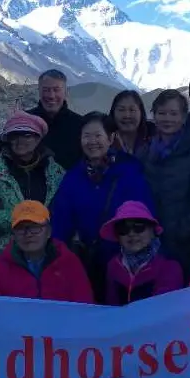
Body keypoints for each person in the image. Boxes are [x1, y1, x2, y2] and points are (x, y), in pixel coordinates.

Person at [49, 112, 156, 299]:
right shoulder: (73, 177)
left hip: (128, 261)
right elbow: (61, 219)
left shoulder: (129, 171)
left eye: (98, 135)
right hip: (88, 263)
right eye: (86, 136)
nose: (92, 142)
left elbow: (145, 213)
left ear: (110, 137)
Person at [0, 201, 94, 304]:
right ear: (13, 235)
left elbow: (85, 307)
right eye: (21, 229)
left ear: (48, 232)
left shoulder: (69, 262)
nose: (28, 234)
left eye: (35, 228)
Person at [141, 90, 190, 278]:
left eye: (173, 113)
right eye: (162, 113)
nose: (167, 119)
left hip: (186, 241)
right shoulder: (145, 152)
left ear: (184, 117)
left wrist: (185, 229)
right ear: (154, 116)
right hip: (151, 239)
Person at [0, 111, 64, 255]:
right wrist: (22, 219)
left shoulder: (56, 173)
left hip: (49, 249)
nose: (19, 140)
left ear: (38, 138)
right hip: (9, 252)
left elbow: (65, 209)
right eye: (14, 136)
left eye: (26, 135)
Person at [100, 201, 184, 305]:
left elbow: (165, 308)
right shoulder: (113, 265)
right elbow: (111, 306)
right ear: (118, 236)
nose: (131, 234)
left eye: (138, 227)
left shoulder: (169, 265)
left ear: (153, 231)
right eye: (123, 229)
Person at [28, 69, 83, 170]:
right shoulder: (26, 121)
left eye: (56, 90)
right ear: (39, 91)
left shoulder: (80, 125)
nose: (51, 96)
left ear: (66, 92)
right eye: (46, 90)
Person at [109, 90, 154, 156]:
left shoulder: (155, 137)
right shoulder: (104, 140)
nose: (127, 115)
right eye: (121, 110)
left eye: (132, 110)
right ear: (113, 112)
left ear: (141, 112)